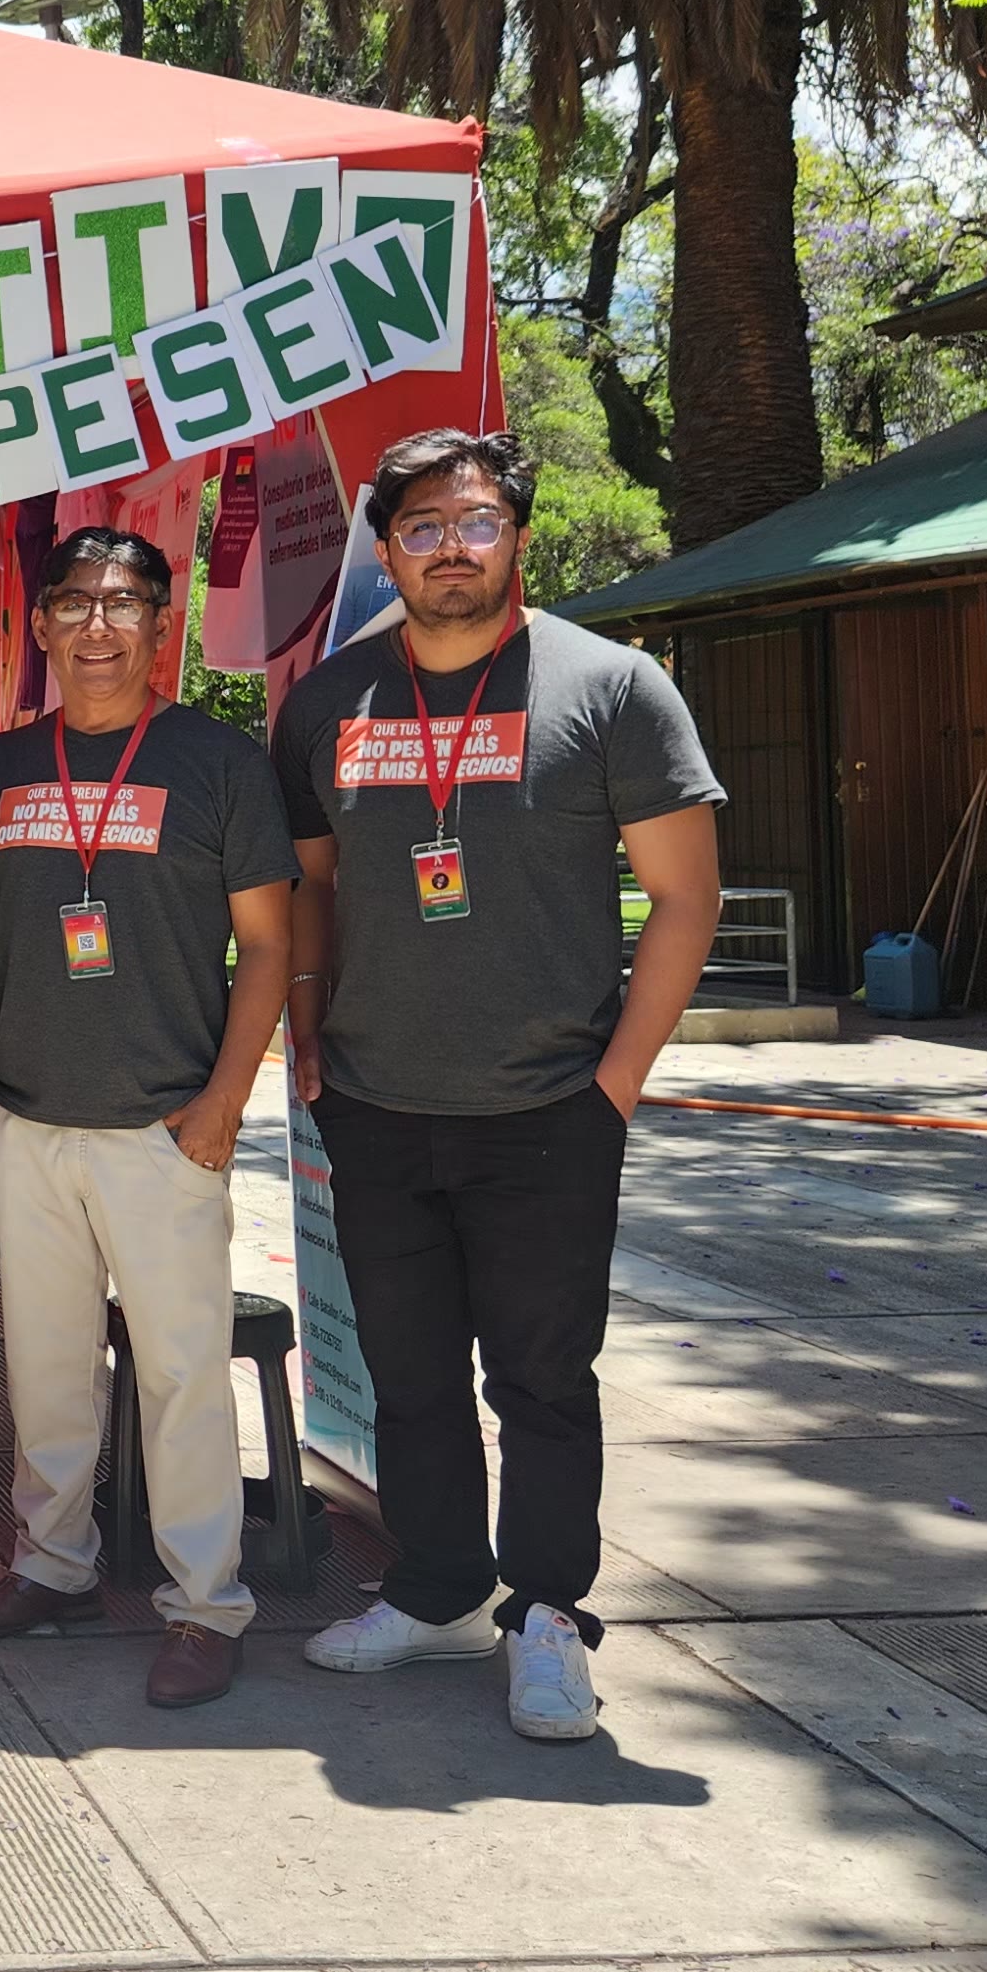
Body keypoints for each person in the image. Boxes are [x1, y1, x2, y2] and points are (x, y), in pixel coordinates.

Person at [274, 428, 724, 1743]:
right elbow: (308, 889)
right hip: (377, 1101)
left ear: (516, 534)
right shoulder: (330, 703)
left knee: (542, 1379)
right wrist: (309, 1036)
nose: (451, 547)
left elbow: (686, 901)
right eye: (421, 527)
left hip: (548, 1111)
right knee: (408, 1374)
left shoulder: (615, 688)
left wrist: (616, 1083)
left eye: (474, 522)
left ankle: (547, 1619)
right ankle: (433, 1593)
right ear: (387, 550)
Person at [0, 532, 295, 1708]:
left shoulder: (216, 764)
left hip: (163, 1127)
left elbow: (271, 945)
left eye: (126, 604)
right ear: (39, 625)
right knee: (45, 1372)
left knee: (183, 1371)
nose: (99, 626)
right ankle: (53, 1567)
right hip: (29, 1123)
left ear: (162, 625)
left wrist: (221, 1105)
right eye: (77, 604)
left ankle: (205, 1606)